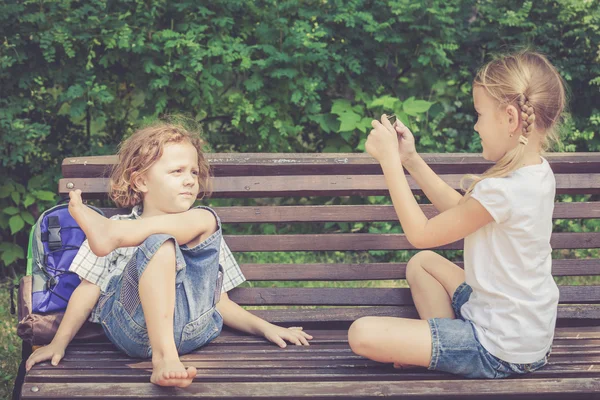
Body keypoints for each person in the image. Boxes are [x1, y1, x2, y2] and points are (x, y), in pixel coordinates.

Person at [25, 121, 312, 387]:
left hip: (194, 327)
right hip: (133, 329)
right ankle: (163, 358)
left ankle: (116, 241)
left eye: (194, 172)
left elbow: (217, 302)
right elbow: (88, 290)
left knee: (207, 217)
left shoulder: (203, 232)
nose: (189, 180)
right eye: (177, 171)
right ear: (140, 182)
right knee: (160, 242)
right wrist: (59, 342)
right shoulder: (122, 221)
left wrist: (266, 328)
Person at [349, 50, 566, 379]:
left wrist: (388, 160)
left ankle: (446, 350)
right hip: (524, 335)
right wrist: (410, 160)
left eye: (479, 114)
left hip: (497, 348)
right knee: (423, 264)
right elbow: (461, 212)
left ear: (510, 119)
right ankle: (445, 346)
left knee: (362, 334)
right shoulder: (535, 173)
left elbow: (420, 233)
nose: (476, 125)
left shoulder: (504, 189)